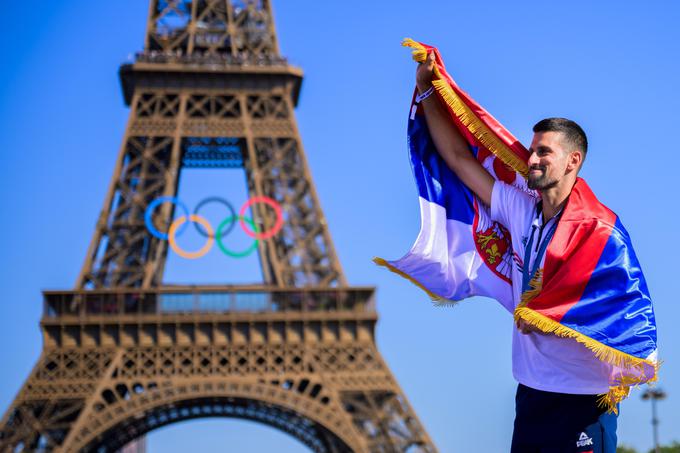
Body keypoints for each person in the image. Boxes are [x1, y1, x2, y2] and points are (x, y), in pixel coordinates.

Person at [415, 52, 618, 452]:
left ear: (573, 161)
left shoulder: (600, 230)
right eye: (532, 150)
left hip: (584, 398)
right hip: (532, 392)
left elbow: (611, 305)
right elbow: (458, 159)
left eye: (545, 152)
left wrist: (545, 315)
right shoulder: (520, 209)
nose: (532, 159)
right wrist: (426, 91)